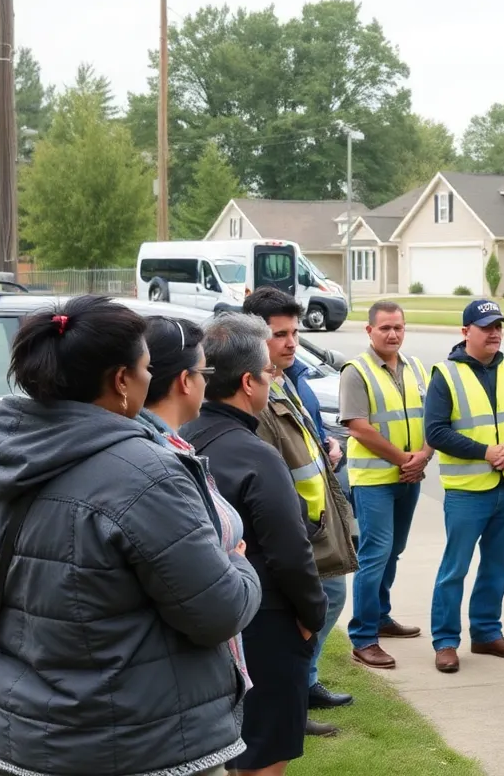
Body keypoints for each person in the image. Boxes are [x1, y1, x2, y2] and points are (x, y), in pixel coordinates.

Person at [0, 295, 261, 776]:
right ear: (122, 380)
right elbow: (220, 612)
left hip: (23, 742)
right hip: (141, 749)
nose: (152, 380)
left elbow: (3, 605)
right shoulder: (148, 475)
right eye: (147, 369)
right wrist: (234, 558)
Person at [181, 312, 329, 776]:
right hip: (266, 623)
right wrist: (312, 615)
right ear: (248, 382)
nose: (273, 379)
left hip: (204, 618)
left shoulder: (181, 438)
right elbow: (290, 551)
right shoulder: (256, 455)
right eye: (269, 373)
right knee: (262, 755)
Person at [242, 287, 358, 735]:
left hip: (317, 517)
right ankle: (291, 694)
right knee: (306, 608)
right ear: (256, 338)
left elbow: (306, 434)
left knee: (329, 599)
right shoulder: (256, 391)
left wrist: (328, 444)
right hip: (291, 525)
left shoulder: (294, 378)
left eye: (294, 332)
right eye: (280, 334)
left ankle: (304, 683)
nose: (292, 342)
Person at [424, 299, 504, 673]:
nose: (494, 333)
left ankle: (486, 633)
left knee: (499, 565)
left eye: (499, 326)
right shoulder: (445, 375)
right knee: (455, 569)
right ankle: (446, 641)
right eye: (486, 327)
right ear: (466, 332)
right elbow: (436, 431)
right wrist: (487, 452)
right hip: (466, 492)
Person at [135, 315, 252, 697]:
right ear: (185, 381)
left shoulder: (168, 447)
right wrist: (235, 561)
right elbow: (219, 608)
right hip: (171, 686)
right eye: (205, 371)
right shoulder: (156, 463)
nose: (207, 381)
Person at [339, 300, 432, 669]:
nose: (393, 334)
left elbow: (434, 418)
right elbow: (358, 427)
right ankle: (363, 637)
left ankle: (380, 615)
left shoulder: (416, 368)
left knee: (394, 550)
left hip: (410, 475)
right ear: (369, 331)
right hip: (375, 479)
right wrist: (405, 460)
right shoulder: (356, 371)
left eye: (398, 327)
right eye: (385, 328)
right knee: (375, 554)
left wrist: (423, 456)